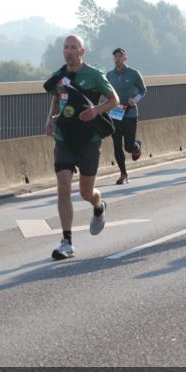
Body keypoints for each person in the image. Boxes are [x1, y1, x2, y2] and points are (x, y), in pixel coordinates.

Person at [42, 35, 119, 260]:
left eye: (73, 47)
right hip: (64, 136)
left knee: (86, 192)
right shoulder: (60, 76)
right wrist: (50, 119)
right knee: (63, 186)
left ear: (82, 52)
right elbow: (57, 99)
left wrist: (96, 110)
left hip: (88, 139)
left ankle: (98, 205)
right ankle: (66, 241)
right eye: (66, 47)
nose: (69, 51)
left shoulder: (94, 75)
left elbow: (114, 99)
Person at [105, 48, 147, 185]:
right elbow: (105, 91)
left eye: (120, 56)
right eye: (115, 56)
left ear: (125, 58)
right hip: (115, 113)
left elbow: (143, 90)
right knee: (117, 145)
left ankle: (137, 146)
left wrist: (135, 99)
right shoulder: (109, 75)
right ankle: (123, 174)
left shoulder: (134, 73)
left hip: (130, 113)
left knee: (128, 147)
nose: (117, 58)